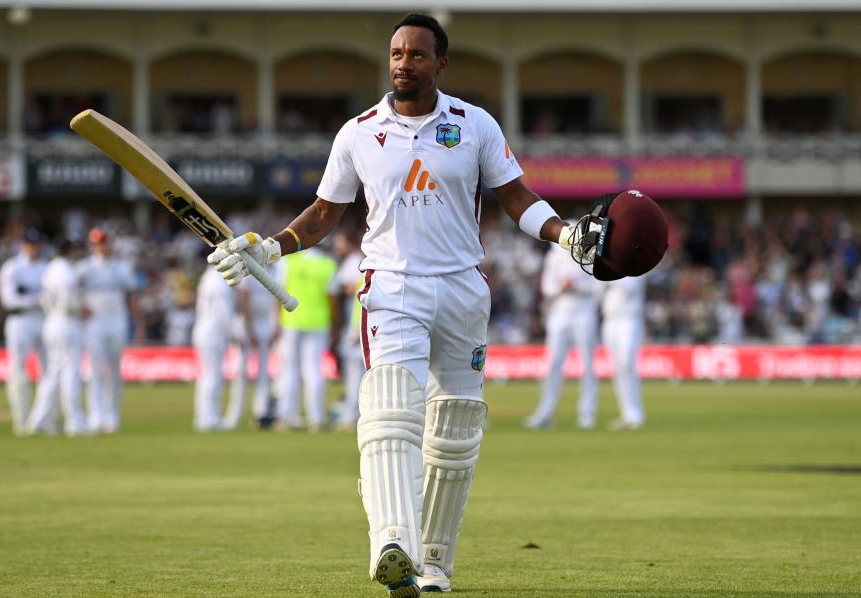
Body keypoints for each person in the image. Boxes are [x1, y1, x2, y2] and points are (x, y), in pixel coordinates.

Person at [205, 14, 649, 597]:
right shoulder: (358, 132)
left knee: (457, 431)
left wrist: (565, 235)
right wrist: (270, 246)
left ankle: (433, 563)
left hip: (463, 289)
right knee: (391, 413)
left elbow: (517, 200)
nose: (402, 63)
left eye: (416, 54)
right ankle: (394, 543)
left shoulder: (474, 124)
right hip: (392, 288)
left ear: (441, 64)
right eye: (396, 53)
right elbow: (322, 214)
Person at [525, 244, 601, 430]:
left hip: (584, 312)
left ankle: (587, 413)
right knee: (552, 364)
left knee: (588, 365)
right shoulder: (554, 256)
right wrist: (562, 286)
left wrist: (576, 285)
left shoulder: (590, 255)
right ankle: (545, 412)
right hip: (560, 313)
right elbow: (547, 287)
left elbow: (598, 285)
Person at [77, 227, 138, 434]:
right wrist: (79, 309)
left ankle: (112, 416)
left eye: (104, 242)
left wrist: (138, 324)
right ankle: (96, 416)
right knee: (95, 370)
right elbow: (71, 293)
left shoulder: (122, 268)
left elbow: (131, 297)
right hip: (94, 324)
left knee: (114, 371)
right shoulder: (83, 269)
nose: (102, 246)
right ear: (92, 245)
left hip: (116, 321)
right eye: (98, 243)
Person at [26, 239, 89, 436]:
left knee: (53, 373)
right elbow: (68, 301)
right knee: (70, 373)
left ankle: (37, 421)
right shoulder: (66, 271)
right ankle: (75, 422)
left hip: (50, 322)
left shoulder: (49, 269)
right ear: (70, 251)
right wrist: (82, 310)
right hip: (66, 322)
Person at [273, 244, 338, 432]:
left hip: (291, 320)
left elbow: (278, 292)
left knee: (289, 370)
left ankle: (287, 416)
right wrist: (335, 324)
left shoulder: (289, 261)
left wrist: (277, 321)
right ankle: (316, 418)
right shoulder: (328, 264)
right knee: (314, 370)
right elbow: (332, 298)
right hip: (319, 321)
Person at [0, 228, 47, 436]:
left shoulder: (46, 267)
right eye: (29, 244)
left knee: (49, 370)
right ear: (22, 245)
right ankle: (21, 419)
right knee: (18, 371)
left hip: (43, 320)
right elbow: (9, 300)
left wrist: (35, 299)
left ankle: (43, 419)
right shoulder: (12, 268)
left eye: (36, 244)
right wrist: (37, 299)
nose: (33, 248)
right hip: (19, 320)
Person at [191, 263, 238, 431]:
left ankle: (205, 417)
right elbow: (222, 313)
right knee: (213, 377)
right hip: (213, 333)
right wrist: (232, 334)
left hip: (206, 331)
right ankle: (209, 418)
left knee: (207, 376)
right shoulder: (217, 280)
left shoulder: (208, 277)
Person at [229, 275, 280, 429]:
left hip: (265, 323)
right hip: (247, 325)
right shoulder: (247, 272)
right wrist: (248, 328)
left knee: (264, 372)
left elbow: (277, 297)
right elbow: (243, 299)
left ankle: (261, 412)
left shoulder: (274, 268)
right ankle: (235, 414)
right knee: (240, 372)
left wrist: (276, 324)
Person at [331, 228, 366, 429]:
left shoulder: (356, 263)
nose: (338, 247)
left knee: (354, 374)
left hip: (357, 327)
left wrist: (355, 330)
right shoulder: (375, 265)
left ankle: (353, 413)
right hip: (364, 326)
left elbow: (348, 290)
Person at [601, 276, 647, 430]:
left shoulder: (634, 261)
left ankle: (635, 413)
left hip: (630, 317)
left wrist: (609, 276)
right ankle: (626, 413)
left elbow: (630, 286)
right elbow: (597, 290)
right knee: (617, 367)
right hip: (610, 318)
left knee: (627, 363)